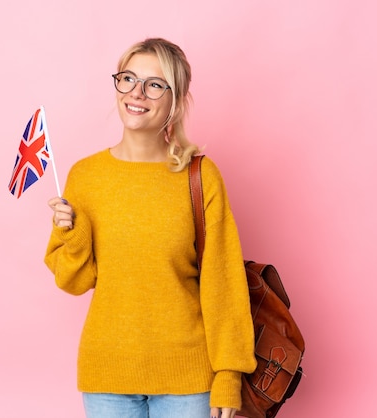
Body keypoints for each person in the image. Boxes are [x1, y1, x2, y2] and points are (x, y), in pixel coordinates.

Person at [45, 38, 256, 418]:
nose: (136, 93)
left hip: (189, 381)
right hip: (106, 376)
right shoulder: (84, 177)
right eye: (128, 78)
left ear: (175, 101)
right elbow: (72, 281)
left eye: (154, 84)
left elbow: (222, 282)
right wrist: (71, 234)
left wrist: (229, 374)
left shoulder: (200, 176)